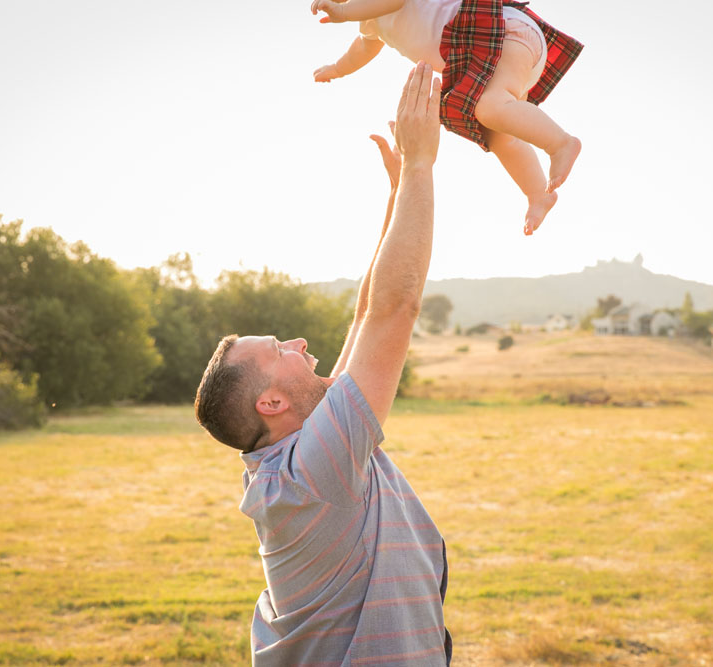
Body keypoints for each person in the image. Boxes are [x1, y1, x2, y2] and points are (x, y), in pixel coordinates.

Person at [195, 63, 452, 665]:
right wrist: (420, 167)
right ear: (272, 403)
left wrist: (396, 200)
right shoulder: (314, 474)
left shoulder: (292, 458)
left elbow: (367, 315)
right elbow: (395, 309)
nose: (302, 345)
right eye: (281, 350)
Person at [311, 0, 583, 236]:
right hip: (492, 52)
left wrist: (344, 12)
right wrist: (337, 69)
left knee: (489, 109)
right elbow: (363, 47)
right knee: (499, 136)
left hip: (503, 33)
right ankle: (538, 195)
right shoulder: (370, 22)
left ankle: (560, 143)